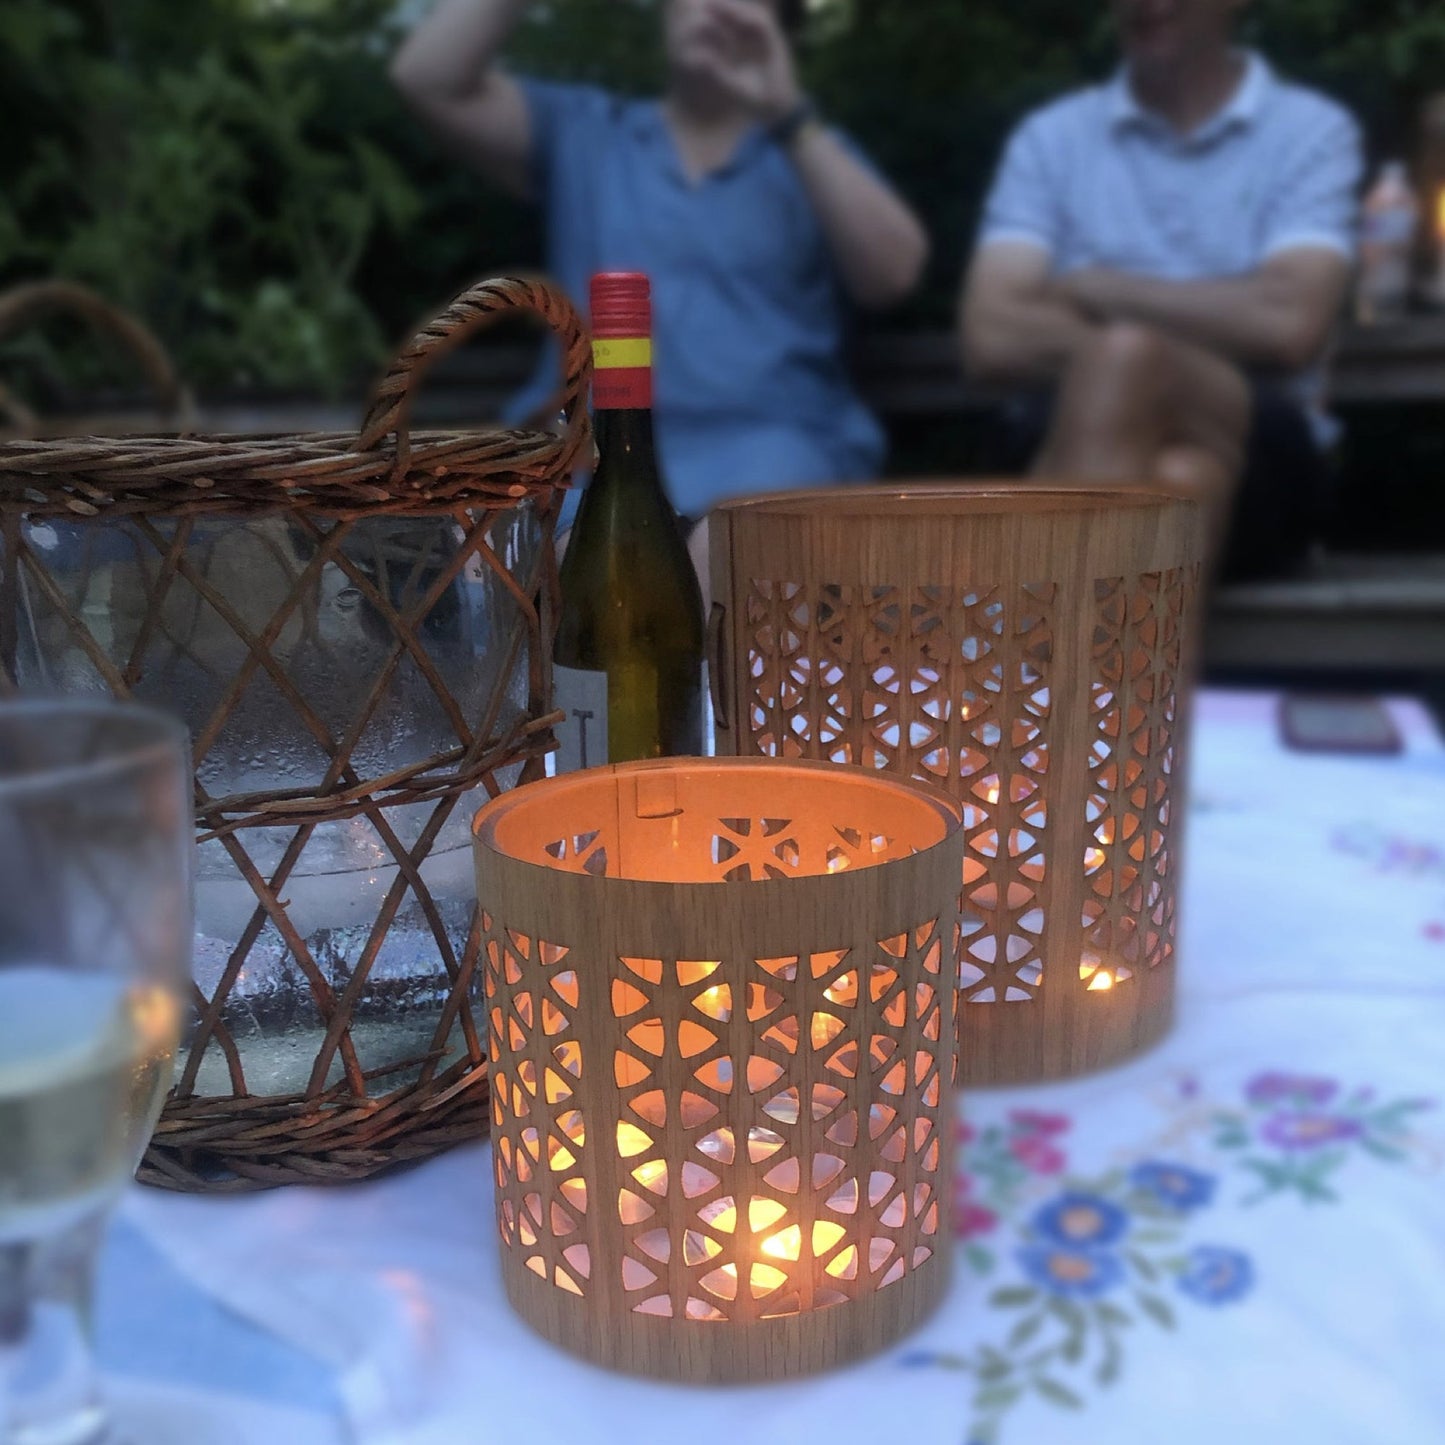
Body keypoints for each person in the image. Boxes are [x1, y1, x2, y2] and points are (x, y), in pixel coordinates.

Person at [391, 0, 928, 542]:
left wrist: (787, 111)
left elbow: (894, 274)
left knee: (733, 572)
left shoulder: (808, 153)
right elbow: (426, 78)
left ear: (779, 26)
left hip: (772, 461)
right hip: (583, 461)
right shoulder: (587, 133)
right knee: (565, 584)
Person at [959, 0, 1363, 579]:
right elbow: (992, 335)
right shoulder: (1052, 140)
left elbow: (1290, 325)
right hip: (1066, 435)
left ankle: (1033, 655)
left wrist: (1098, 288)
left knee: (1129, 356)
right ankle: (1088, 668)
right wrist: (1217, 318)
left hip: (1266, 460)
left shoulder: (1310, 131)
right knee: (1180, 478)